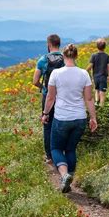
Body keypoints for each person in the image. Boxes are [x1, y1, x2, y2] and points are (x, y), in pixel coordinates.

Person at [42, 44, 97, 193]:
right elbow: (89, 99)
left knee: (55, 148)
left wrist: (46, 114)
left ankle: (65, 175)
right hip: (79, 117)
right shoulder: (83, 74)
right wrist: (93, 118)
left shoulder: (56, 74)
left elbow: (51, 97)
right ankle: (69, 177)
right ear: (76, 56)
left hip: (62, 118)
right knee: (71, 149)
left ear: (64, 57)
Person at [32, 34, 65, 164]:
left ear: (49, 44)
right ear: (59, 44)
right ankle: (61, 151)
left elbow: (35, 81)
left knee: (47, 124)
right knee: (61, 123)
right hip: (63, 95)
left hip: (48, 96)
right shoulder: (65, 58)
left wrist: (43, 88)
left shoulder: (43, 59)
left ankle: (50, 156)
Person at [86, 38, 109, 107]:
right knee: (102, 92)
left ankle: (96, 103)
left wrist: (85, 71)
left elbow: (91, 65)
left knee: (96, 90)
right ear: (105, 47)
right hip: (103, 77)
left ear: (97, 47)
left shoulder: (93, 56)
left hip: (95, 77)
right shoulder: (107, 56)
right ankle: (101, 106)